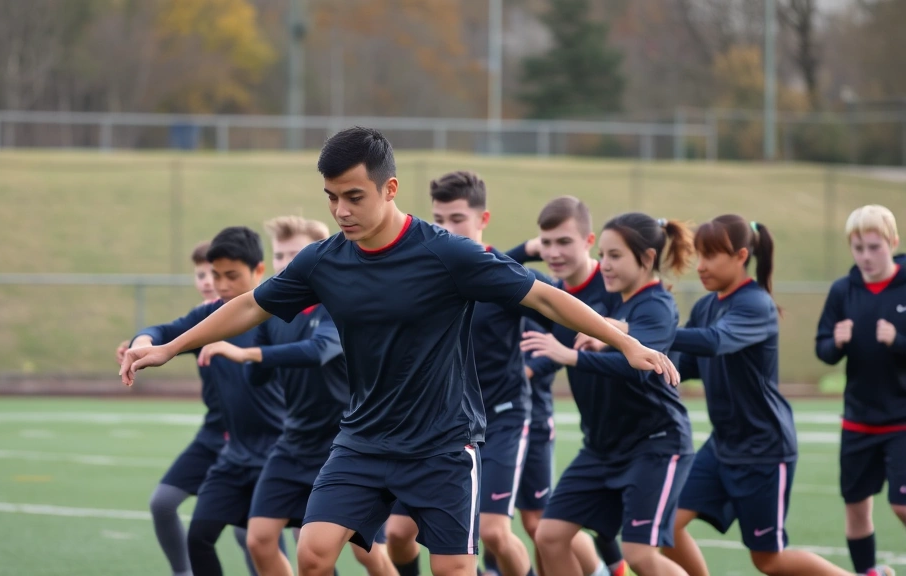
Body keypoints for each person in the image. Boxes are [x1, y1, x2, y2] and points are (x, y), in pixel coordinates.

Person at [118, 127, 678, 576]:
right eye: (332, 198)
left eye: (354, 196)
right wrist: (172, 346)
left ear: (389, 189)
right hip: (364, 437)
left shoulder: (447, 255)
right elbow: (248, 306)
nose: (341, 211)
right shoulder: (324, 260)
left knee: (456, 566)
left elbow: (544, 298)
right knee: (313, 553)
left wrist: (624, 341)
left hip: (441, 442)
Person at [661, 214, 892, 576]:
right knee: (666, 527)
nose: (700, 267)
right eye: (699, 256)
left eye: (710, 256)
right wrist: (627, 351)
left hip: (764, 451)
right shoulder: (705, 306)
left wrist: (649, 330)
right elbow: (684, 366)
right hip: (722, 446)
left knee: (768, 560)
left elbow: (715, 341)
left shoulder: (755, 304)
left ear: (740, 256)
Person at [200, 215, 397, 576]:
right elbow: (259, 376)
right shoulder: (274, 312)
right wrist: (243, 359)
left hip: (348, 446)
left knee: (367, 554)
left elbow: (318, 351)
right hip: (294, 443)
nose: (286, 263)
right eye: (279, 255)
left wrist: (249, 354)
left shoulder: (338, 306)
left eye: (296, 253)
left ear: (318, 256)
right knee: (259, 539)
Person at [521, 212, 695, 576]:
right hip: (601, 449)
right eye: (604, 254)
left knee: (641, 555)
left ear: (646, 259)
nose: (605, 265)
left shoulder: (657, 305)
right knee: (549, 536)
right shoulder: (615, 302)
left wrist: (571, 355)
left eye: (615, 256)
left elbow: (642, 366)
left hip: (655, 445)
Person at [385, 171, 539, 576]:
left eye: (457, 219)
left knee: (493, 532)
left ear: (482, 219)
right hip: (441, 423)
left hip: (501, 418)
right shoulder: (427, 272)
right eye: (438, 219)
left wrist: (615, 335)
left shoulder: (501, 274)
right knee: (397, 534)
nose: (446, 228)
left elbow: (557, 310)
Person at [130, 226, 286, 576]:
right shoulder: (208, 316)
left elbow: (313, 355)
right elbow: (164, 333)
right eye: (214, 275)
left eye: (231, 276)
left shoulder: (278, 314)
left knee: (258, 539)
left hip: (277, 446)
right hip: (227, 443)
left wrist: (249, 354)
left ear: (259, 271)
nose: (220, 284)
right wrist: (142, 341)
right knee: (181, 519)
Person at [506, 197, 631, 576]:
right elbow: (496, 276)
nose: (554, 253)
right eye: (546, 244)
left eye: (564, 242)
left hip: (646, 437)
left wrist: (538, 366)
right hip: (598, 440)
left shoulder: (616, 286)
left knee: (652, 549)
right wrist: (528, 249)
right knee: (547, 531)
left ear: (589, 240)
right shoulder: (552, 295)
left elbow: (651, 328)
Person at [816, 205, 906, 576]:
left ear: (893, 243)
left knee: (902, 505)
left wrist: (898, 340)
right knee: (856, 506)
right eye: (858, 248)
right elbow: (822, 350)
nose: (866, 257)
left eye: (874, 247)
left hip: (902, 419)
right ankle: (869, 573)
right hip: (858, 420)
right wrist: (835, 343)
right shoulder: (843, 290)